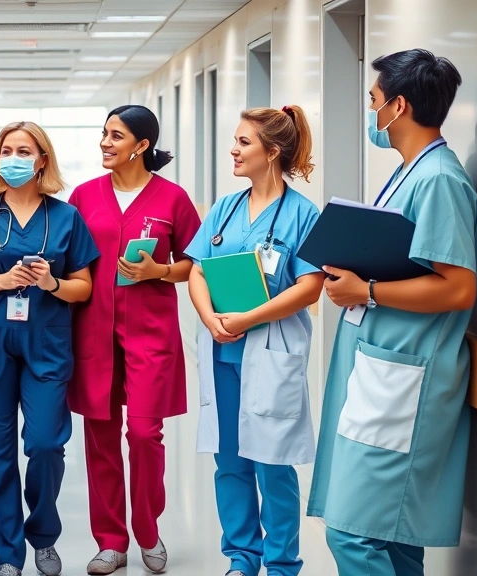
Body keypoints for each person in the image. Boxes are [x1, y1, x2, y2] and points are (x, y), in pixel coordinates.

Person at [308, 49, 477, 576]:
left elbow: (458, 288)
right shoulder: (412, 172)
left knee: (352, 533)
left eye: (373, 100)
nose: (371, 112)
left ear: (398, 105)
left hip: (407, 380)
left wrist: (368, 291)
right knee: (396, 538)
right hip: (386, 368)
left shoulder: (439, 180)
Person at [0, 121, 99, 576]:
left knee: (47, 443)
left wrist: (52, 282)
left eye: (23, 150)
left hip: (46, 343)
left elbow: (84, 289)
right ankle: (7, 555)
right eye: (6, 150)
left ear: (42, 160)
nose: (12, 159)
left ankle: (44, 533)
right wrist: (3, 280)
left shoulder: (66, 216)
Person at [185, 105, 324, 576]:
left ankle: (283, 565)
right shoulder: (225, 207)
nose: (234, 149)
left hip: (271, 350)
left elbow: (309, 286)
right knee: (230, 462)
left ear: (273, 152)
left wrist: (249, 318)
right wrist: (211, 319)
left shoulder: (304, 214)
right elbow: (197, 270)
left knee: (273, 463)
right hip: (224, 348)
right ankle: (242, 559)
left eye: (244, 142)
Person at [68, 105, 201, 575]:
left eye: (116, 136)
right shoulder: (84, 196)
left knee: (145, 434)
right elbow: (71, 260)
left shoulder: (173, 199)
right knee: (100, 436)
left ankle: (147, 529)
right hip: (94, 329)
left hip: (150, 332)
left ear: (142, 146)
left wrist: (158, 271)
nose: (105, 143)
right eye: (104, 134)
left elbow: (193, 263)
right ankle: (110, 541)